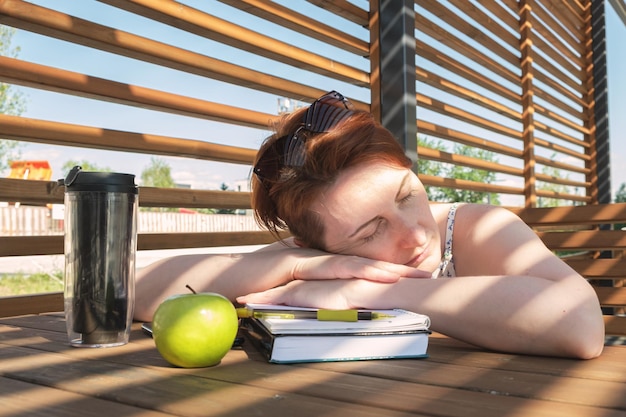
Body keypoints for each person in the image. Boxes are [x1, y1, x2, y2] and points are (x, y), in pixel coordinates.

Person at [135, 91, 604, 359]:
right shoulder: (318, 260)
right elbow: (127, 292)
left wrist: (367, 292)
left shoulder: (477, 229)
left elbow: (582, 324)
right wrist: (295, 265)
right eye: (369, 231)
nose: (416, 235)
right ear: (318, 244)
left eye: (406, 194)